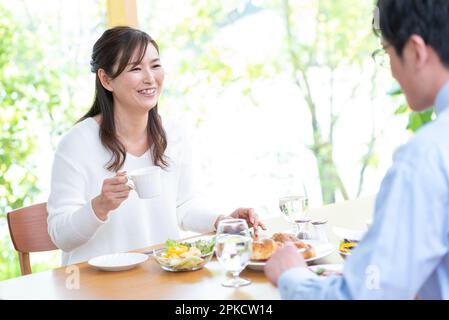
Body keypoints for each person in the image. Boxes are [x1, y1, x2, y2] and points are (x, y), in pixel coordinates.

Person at [265, 0, 449, 299]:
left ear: (416, 51)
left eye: (386, 51)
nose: (390, 70)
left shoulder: (426, 156)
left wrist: (292, 275)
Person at [47, 26, 265, 266]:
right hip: (95, 286)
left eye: (155, 65)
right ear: (106, 79)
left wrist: (223, 222)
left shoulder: (172, 134)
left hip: (161, 277)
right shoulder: (77, 143)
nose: (150, 78)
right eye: (136, 68)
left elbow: (183, 206)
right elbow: (60, 235)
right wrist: (99, 206)